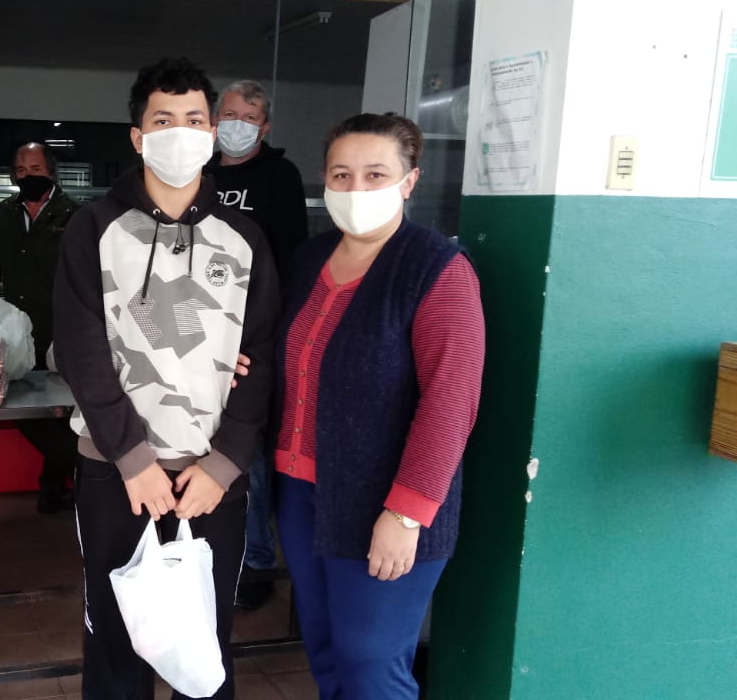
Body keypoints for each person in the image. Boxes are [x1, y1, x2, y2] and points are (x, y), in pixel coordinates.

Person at [53, 57, 280, 700]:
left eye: (194, 119)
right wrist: (133, 459)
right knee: (115, 643)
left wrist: (225, 463)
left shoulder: (244, 238)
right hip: (116, 473)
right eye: (163, 120)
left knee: (203, 646)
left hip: (212, 478)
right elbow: (81, 352)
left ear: (211, 133)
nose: (180, 132)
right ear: (137, 136)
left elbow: (262, 356)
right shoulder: (94, 229)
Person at [273, 112, 484, 700]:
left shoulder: (435, 269)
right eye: (341, 174)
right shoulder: (308, 260)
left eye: (375, 174)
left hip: (385, 504)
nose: (356, 188)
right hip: (301, 493)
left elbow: (450, 402)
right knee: (326, 650)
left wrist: (406, 514)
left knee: (371, 664)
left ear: (409, 181)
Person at [204, 79, 309, 611]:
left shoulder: (279, 177)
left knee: (249, 452)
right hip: (196, 332)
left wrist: (265, 337)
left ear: (264, 127)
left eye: (249, 117)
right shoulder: (200, 171)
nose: (237, 125)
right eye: (229, 114)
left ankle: (257, 561)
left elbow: (289, 261)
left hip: (252, 337)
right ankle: (209, 551)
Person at [0, 141, 82, 513]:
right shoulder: (3, 214)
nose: (27, 176)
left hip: (61, 332)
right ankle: (81, 470)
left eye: (35, 169)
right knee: (21, 406)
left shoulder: (74, 215)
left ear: (50, 171)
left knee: (62, 410)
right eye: (20, 170)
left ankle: (53, 488)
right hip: (14, 334)